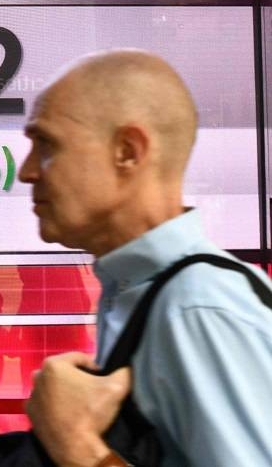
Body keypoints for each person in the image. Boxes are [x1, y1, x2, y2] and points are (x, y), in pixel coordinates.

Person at [18, 50, 272, 466]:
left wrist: (75, 442)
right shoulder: (146, 291)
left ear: (128, 151)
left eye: (47, 145)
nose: (27, 171)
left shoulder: (197, 309)